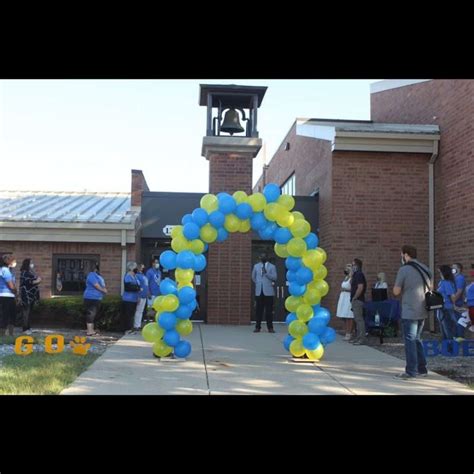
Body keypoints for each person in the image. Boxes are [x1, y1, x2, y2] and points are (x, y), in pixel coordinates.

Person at [393, 245, 430, 379]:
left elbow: (396, 291)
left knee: (410, 340)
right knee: (417, 339)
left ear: (406, 255)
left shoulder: (404, 269)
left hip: (409, 309)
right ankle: (422, 369)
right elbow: (431, 286)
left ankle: (411, 371)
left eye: (402, 254)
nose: (401, 257)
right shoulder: (425, 268)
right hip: (423, 309)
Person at [251, 253, 277, 333]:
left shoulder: (272, 266)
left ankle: (270, 328)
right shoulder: (256, 266)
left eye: (264, 256)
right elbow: (253, 277)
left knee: (269, 311)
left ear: (267, 257)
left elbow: (275, 277)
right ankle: (257, 327)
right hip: (259, 291)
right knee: (258, 310)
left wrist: (266, 273)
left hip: (268, 292)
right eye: (261, 256)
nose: (263, 257)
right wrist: (259, 283)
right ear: (259, 258)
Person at [83, 262, 107, 336]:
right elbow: (96, 285)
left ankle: (92, 329)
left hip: (97, 297)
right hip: (91, 297)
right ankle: (89, 331)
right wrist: (103, 290)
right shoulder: (91, 275)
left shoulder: (97, 275)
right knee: (91, 313)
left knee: (95, 314)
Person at [437, 265, 458, 345]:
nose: (440, 274)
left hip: (446, 308)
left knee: (447, 328)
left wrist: (454, 304)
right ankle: (446, 345)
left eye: (440, 272)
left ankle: (450, 345)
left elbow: (452, 296)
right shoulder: (442, 282)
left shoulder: (447, 283)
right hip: (441, 307)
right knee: (443, 328)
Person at [19, 258, 42, 335]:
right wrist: (37, 281)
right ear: (27, 264)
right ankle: (25, 329)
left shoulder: (30, 272)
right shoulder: (24, 272)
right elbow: (26, 282)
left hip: (31, 295)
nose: (32, 264)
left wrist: (37, 280)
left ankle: (29, 327)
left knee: (29, 312)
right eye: (31, 263)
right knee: (26, 312)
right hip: (26, 295)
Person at [349, 258, 367, 345]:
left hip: (358, 300)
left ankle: (361, 338)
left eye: (353, 265)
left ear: (357, 266)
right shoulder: (355, 275)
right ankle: (358, 337)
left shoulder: (359, 274)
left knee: (359, 320)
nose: (352, 267)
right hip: (355, 299)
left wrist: (355, 297)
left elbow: (360, 287)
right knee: (356, 319)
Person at [0, 254, 18, 337]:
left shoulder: (6, 270)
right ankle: (6, 334)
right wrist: (16, 292)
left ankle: (8, 333)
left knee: (7, 314)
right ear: (8, 261)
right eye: (13, 261)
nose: (15, 262)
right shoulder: (5, 270)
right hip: (7, 295)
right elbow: (11, 285)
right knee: (8, 315)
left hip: (6, 295)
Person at [122, 261, 141, 334]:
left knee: (132, 314)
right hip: (128, 299)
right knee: (128, 315)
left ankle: (131, 328)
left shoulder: (135, 276)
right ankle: (127, 329)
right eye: (135, 267)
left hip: (134, 299)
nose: (136, 269)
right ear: (132, 268)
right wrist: (137, 288)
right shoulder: (128, 276)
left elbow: (138, 286)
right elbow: (128, 287)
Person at [336, 264, 354, 340]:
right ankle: (347, 331)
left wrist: (345, 290)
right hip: (343, 297)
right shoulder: (346, 278)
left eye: (348, 269)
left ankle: (349, 333)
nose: (346, 270)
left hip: (348, 297)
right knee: (343, 315)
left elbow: (353, 289)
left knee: (349, 316)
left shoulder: (351, 279)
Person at [452, 263, 467, 339]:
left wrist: (453, 302)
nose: (452, 269)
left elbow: (459, 291)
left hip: (457, 304)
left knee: (459, 322)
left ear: (459, 269)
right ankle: (456, 337)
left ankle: (459, 338)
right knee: (455, 322)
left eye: (454, 268)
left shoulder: (460, 278)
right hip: (455, 303)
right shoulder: (455, 278)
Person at [133, 263, 149, 332]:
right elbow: (137, 286)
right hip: (140, 295)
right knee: (138, 311)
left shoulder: (143, 275)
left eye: (143, 268)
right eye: (142, 267)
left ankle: (138, 325)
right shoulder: (137, 276)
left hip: (144, 295)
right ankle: (136, 325)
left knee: (141, 311)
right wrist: (138, 295)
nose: (143, 269)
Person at [146, 257, 162, 322]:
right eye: (156, 262)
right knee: (150, 309)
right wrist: (148, 292)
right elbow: (146, 283)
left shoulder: (159, 272)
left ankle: (155, 321)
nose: (157, 264)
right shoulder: (149, 272)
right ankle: (148, 322)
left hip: (158, 293)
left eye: (158, 262)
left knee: (157, 308)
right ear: (152, 263)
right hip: (151, 293)